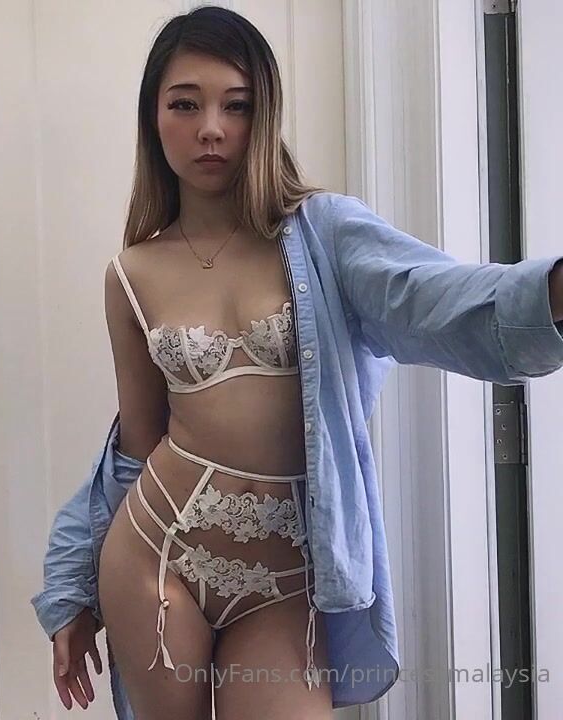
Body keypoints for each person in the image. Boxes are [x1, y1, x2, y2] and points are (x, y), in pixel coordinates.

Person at [31, 6, 563, 720]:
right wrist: (71, 587)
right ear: (153, 118)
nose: (211, 128)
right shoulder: (131, 274)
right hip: (156, 555)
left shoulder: (324, 234)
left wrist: (549, 291)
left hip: (288, 577)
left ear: (266, 117)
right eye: (185, 104)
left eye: (237, 105)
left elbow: (430, 298)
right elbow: (132, 450)